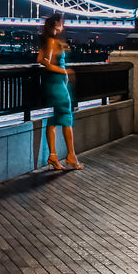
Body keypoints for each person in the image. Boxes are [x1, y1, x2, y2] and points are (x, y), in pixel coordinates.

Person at [37, 13, 83, 170]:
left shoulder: (50, 41)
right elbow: (44, 62)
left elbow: (39, 59)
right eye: (61, 23)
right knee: (67, 119)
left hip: (52, 85)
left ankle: (53, 157)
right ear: (56, 25)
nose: (63, 25)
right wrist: (65, 71)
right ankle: (71, 156)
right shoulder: (52, 41)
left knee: (52, 120)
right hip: (58, 86)